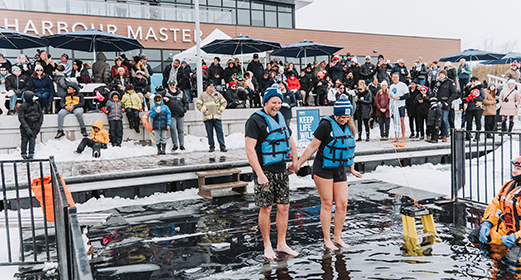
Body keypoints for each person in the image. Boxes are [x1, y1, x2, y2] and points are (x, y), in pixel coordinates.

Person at [293, 94, 362, 250]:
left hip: (339, 169)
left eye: (347, 117)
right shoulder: (325, 124)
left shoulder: (350, 125)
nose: (345, 120)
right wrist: (298, 164)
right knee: (327, 203)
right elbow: (312, 147)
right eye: (342, 117)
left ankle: (338, 236)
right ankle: (327, 239)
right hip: (322, 168)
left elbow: (348, 148)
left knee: (343, 204)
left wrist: (351, 168)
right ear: (336, 114)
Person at [244, 84, 299, 260]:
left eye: (279, 103)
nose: (276, 106)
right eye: (273, 102)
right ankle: (267, 245)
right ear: (266, 102)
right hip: (264, 171)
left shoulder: (280, 116)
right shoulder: (254, 120)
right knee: (266, 208)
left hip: (281, 169)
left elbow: (290, 139)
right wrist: (259, 174)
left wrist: (295, 161)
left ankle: (281, 244)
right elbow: (249, 150)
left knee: (284, 207)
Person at [468, 156, 521, 266]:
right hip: (506, 232)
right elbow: (496, 206)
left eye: (518, 169)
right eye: (515, 168)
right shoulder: (509, 186)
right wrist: (487, 223)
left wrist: (516, 238)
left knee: (514, 259)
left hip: (516, 237)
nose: (514, 171)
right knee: (475, 236)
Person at [196, 82, 227, 152]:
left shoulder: (218, 94)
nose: (211, 88)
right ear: (207, 87)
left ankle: (222, 146)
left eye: (212, 87)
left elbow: (224, 102)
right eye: (210, 87)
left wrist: (220, 110)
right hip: (208, 118)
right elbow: (198, 104)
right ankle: (211, 147)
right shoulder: (203, 95)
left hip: (217, 117)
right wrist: (204, 111)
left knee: (220, 132)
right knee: (210, 133)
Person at [161, 80, 188, 151]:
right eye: (170, 85)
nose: (172, 86)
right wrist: (163, 98)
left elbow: (186, 102)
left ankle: (182, 145)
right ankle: (175, 145)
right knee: (173, 129)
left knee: (181, 130)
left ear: (176, 85)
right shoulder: (166, 92)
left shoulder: (181, 93)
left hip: (180, 114)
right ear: (169, 85)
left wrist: (184, 109)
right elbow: (156, 95)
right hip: (171, 115)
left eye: (173, 84)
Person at [433, 69, 457, 142]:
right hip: (438, 103)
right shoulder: (437, 83)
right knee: (438, 119)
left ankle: (445, 134)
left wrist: (448, 102)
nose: (440, 76)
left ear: (445, 75)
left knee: (444, 119)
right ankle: (440, 133)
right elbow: (434, 92)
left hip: (446, 103)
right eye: (440, 74)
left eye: (442, 74)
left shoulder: (449, 82)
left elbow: (454, 93)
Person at [18, 91, 43, 160]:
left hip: (35, 125)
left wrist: (39, 125)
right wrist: (26, 128)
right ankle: (23, 153)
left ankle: (31, 153)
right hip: (25, 126)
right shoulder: (22, 107)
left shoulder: (37, 104)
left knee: (32, 140)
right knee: (24, 140)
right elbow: (21, 118)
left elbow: (41, 115)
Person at [389, 72, 410, 143]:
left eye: (396, 77)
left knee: (401, 121)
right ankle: (396, 137)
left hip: (400, 105)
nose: (395, 78)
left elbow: (407, 95)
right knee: (395, 121)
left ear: (398, 77)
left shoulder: (403, 85)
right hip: (393, 106)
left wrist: (399, 97)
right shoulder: (391, 86)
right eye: (393, 77)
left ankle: (403, 137)